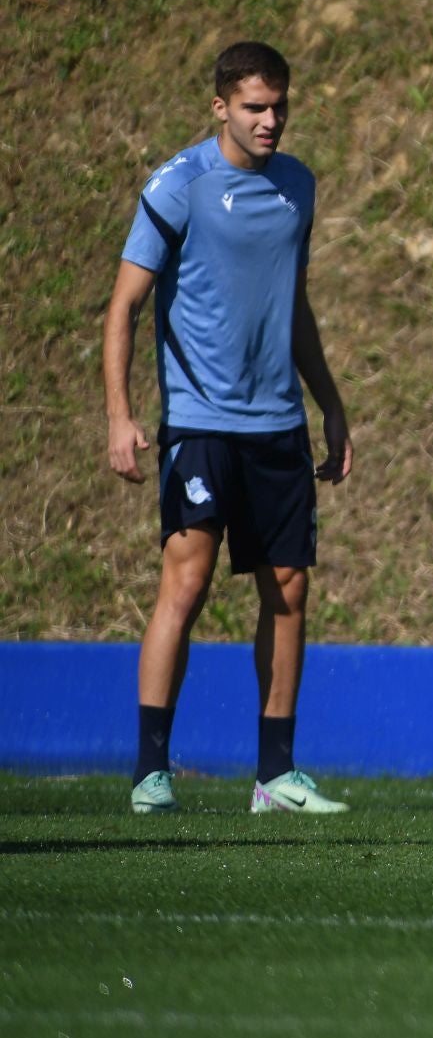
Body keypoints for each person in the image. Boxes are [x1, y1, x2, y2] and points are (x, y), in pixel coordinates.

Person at [104, 40, 353, 816]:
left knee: (289, 588)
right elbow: (123, 308)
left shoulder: (297, 186)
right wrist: (120, 417)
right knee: (188, 580)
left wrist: (330, 403)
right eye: (255, 107)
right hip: (200, 422)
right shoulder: (178, 187)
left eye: (279, 105)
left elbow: (295, 305)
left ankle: (275, 776)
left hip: (278, 422)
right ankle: (151, 771)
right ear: (220, 108)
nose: (271, 120)